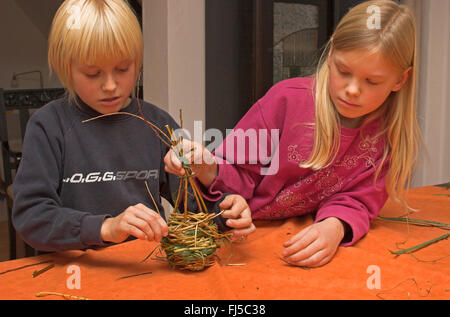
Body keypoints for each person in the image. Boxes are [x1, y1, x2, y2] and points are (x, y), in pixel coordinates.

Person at [165, 0, 421, 267]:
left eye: (372, 81)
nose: (353, 90)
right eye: (344, 71)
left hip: (285, 242)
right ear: (331, 53)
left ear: (400, 80)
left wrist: (335, 227)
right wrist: (205, 167)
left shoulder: (388, 132)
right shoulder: (286, 101)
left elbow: (358, 198)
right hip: (235, 233)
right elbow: (236, 173)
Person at [12, 0, 255, 254]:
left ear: (137, 62)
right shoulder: (48, 127)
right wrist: (106, 228)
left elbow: (194, 211)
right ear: (66, 68)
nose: (110, 85)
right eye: (93, 73)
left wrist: (226, 214)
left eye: (122, 69)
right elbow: (32, 218)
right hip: (71, 276)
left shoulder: (158, 124)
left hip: (145, 273)